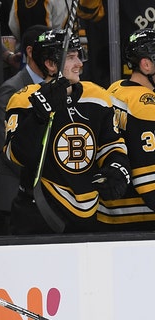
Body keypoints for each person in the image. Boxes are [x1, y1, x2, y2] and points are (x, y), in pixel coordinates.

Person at [4, 29, 130, 234]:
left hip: (89, 214)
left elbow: (112, 145)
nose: (80, 63)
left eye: (79, 56)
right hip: (39, 215)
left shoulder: (98, 97)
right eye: (71, 57)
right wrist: (38, 116)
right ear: (51, 64)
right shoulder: (24, 99)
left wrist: (117, 168)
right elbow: (16, 155)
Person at [0, 25, 49, 225]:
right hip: (15, 197)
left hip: (51, 199)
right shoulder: (11, 90)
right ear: (30, 52)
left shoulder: (63, 87)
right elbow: (6, 146)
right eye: (49, 49)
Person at [100, 29, 155, 231]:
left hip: (110, 212)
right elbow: (150, 184)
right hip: (140, 217)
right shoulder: (146, 106)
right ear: (146, 64)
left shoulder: (115, 88)